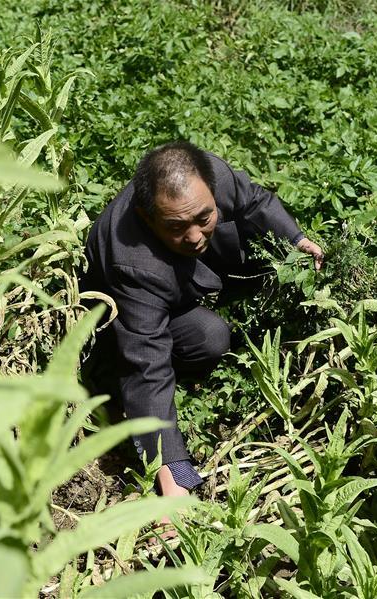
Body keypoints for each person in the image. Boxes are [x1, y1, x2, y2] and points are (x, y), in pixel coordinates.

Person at [79, 141, 324, 499]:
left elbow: (255, 201)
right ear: (148, 218)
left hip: (172, 269)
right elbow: (147, 371)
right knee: (210, 338)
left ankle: (207, 279)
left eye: (203, 218)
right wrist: (174, 476)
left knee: (252, 246)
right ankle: (108, 378)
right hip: (128, 309)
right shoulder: (134, 265)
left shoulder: (207, 174)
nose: (194, 237)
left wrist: (298, 239)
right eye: (176, 226)